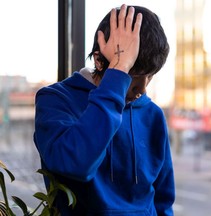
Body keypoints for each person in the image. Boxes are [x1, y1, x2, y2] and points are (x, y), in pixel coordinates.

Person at [33, 4, 175, 216]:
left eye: (150, 75)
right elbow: (77, 164)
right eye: (133, 77)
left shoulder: (153, 115)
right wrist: (119, 72)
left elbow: (163, 201)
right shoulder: (55, 100)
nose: (143, 88)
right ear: (100, 61)